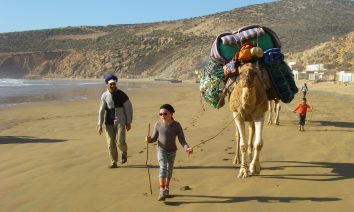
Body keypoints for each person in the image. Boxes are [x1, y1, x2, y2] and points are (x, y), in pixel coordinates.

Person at [145, 104, 193, 201]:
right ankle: (162, 190)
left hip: (172, 151)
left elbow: (182, 140)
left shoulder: (176, 125)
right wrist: (149, 140)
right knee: (163, 167)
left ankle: (166, 188)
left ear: (171, 114)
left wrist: (187, 148)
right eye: (160, 114)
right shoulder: (158, 124)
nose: (162, 115)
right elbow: (154, 138)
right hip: (161, 150)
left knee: (169, 170)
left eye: (165, 113)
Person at [98, 74, 133, 168]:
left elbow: (128, 108)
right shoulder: (104, 96)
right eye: (110, 84)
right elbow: (101, 110)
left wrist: (128, 121)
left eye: (114, 84)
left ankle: (124, 151)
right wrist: (100, 124)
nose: (112, 86)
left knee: (120, 142)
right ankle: (113, 161)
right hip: (108, 123)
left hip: (120, 121)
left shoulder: (121, 94)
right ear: (107, 84)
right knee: (110, 143)